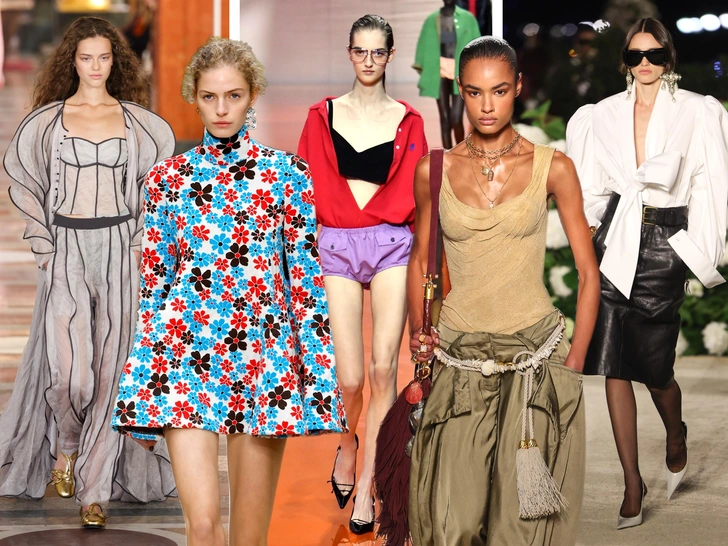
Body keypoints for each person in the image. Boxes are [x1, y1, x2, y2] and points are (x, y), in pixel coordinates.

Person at [111, 37, 347, 546]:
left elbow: (305, 285)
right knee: (201, 528)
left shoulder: (287, 175)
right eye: (210, 96)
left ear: (252, 95)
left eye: (233, 96)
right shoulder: (167, 179)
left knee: (248, 538)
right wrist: (141, 383)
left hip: (262, 363)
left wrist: (317, 382)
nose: (221, 109)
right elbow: (155, 284)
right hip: (183, 356)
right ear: (193, 98)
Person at [408, 36, 600, 545]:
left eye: (498, 91)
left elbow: (588, 272)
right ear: (461, 92)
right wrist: (416, 336)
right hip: (459, 357)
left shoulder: (553, 167)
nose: (487, 106)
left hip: (535, 358)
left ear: (518, 87)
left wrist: (575, 361)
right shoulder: (435, 169)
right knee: (453, 523)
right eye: (474, 92)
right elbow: (419, 260)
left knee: (519, 529)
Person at [0, 16, 176, 527]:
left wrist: (141, 242)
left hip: (119, 247)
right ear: (71, 62)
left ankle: (93, 492)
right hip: (66, 247)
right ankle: (68, 444)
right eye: (86, 58)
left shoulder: (138, 123)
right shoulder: (49, 122)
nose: (95, 67)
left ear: (114, 62)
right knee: (71, 375)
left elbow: (153, 188)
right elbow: (24, 179)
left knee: (111, 373)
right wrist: (42, 240)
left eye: (104, 58)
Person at [566, 18, 728, 529]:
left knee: (656, 371)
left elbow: (712, 183)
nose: (645, 64)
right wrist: (590, 235)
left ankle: (675, 434)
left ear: (668, 58)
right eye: (636, 55)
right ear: (625, 61)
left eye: (654, 55)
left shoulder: (698, 110)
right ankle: (632, 482)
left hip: (665, 243)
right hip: (616, 240)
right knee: (614, 363)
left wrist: (697, 251)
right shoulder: (601, 114)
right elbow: (591, 184)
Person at [297, 14, 428, 534]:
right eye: (360, 51)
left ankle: (369, 489)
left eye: (378, 52)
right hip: (336, 242)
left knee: (382, 371)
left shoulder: (408, 120)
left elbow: (420, 194)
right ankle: (348, 445)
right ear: (349, 53)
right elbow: (302, 189)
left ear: (390, 56)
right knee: (349, 377)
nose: (368, 61)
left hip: (393, 242)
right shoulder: (321, 116)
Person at [414, 0, 480, 148]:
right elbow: (423, 44)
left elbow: (477, 44)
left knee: (456, 118)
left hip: (461, 70)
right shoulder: (432, 20)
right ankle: (448, 154)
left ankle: (461, 151)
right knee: (444, 118)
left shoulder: (468, 18)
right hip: (439, 69)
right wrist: (423, 68)